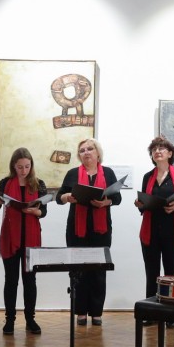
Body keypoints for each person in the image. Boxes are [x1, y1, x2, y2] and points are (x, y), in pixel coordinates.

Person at [57, 138, 122, 326]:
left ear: (97, 152)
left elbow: (117, 198)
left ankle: (96, 313)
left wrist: (106, 202)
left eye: (90, 149)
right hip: (77, 230)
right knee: (78, 271)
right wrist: (67, 197)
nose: (86, 152)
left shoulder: (108, 173)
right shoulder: (72, 173)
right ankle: (80, 312)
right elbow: (59, 197)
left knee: (99, 271)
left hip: (101, 230)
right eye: (82, 150)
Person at [0, 148, 48, 335]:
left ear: (31, 166)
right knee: (11, 280)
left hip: (31, 237)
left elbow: (44, 212)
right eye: (20, 167)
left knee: (30, 281)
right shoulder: (5, 183)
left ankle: (30, 319)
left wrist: (35, 211)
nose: (24, 170)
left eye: (27, 166)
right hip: (11, 236)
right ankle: (10, 320)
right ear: (13, 166)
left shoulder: (38, 184)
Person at [135, 136, 174, 328]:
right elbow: (144, 203)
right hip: (150, 230)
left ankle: (171, 315)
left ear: (170, 153)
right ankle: (151, 313)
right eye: (154, 149)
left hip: (171, 229)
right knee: (151, 272)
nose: (157, 151)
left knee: (171, 273)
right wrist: (140, 204)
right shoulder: (147, 177)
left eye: (161, 148)